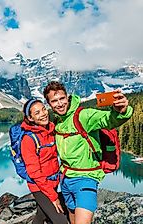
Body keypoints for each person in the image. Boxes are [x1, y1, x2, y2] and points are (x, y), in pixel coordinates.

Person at [43, 81, 133, 224]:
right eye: (54, 101)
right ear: (49, 104)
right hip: (65, 180)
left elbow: (108, 120)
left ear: (68, 97)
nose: (59, 104)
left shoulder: (83, 115)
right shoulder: (58, 120)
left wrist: (121, 111)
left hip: (86, 179)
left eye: (62, 99)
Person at [20, 98, 68, 224]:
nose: (43, 114)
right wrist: (53, 196)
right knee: (61, 221)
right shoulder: (28, 140)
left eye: (43, 109)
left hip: (53, 182)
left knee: (41, 216)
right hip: (39, 186)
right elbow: (34, 173)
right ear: (30, 118)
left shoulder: (51, 131)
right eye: (37, 113)